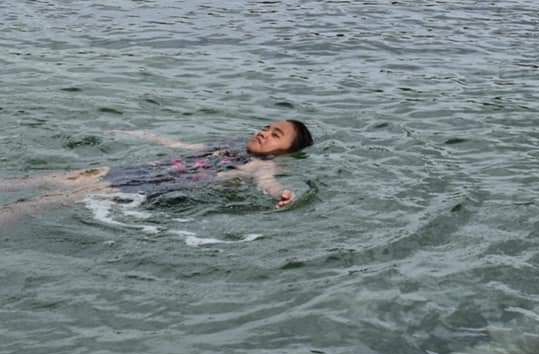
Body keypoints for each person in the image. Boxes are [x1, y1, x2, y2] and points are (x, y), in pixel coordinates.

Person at [0, 119, 314, 226]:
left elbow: (268, 184)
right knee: (49, 178)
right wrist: (144, 135)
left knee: (46, 201)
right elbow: (183, 146)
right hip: (138, 171)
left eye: (275, 135)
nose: (264, 133)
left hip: (149, 187)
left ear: (287, 151)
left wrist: (283, 194)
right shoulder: (230, 145)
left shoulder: (263, 165)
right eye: (266, 128)